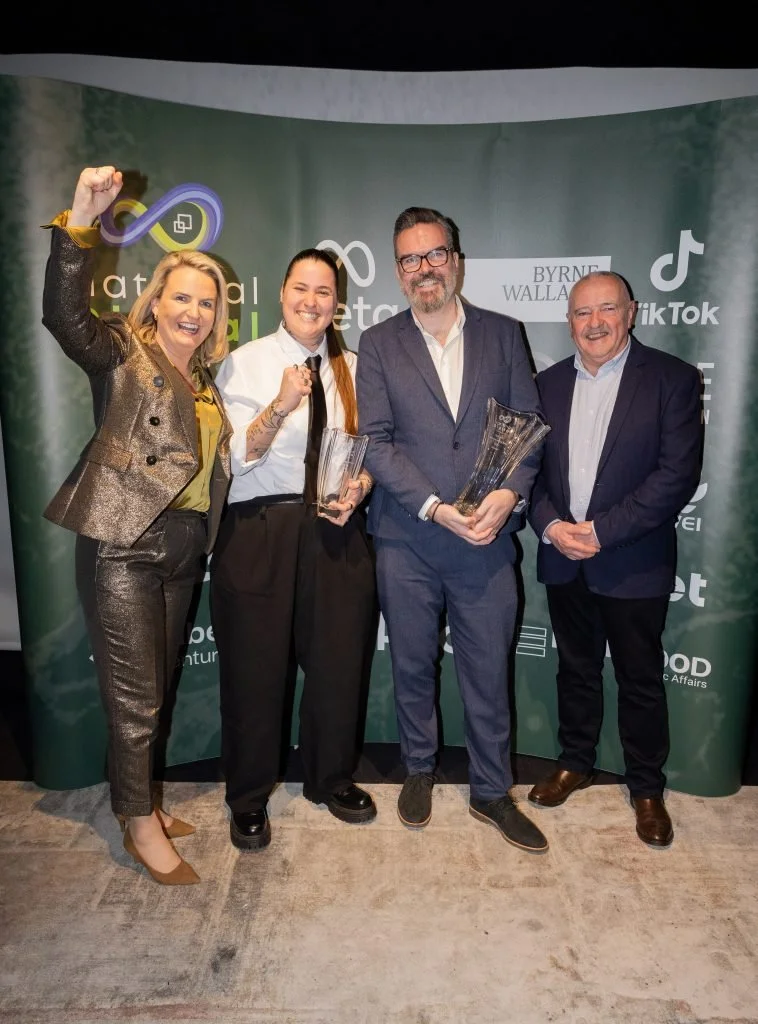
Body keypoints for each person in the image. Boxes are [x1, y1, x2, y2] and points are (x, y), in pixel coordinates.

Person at [41, 165, 232, 885]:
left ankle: (135, 799)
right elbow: (65, 317)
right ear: (157, 300)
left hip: (184, 544)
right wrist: (80, 223)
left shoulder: (205, 380)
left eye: (207, 302)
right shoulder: (122, 351)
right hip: (124, 541)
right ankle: (140, 822)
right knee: (137, 698)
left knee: (156, 687)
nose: (195, 310)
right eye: (182, 296)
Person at [355, 207, 548, 853]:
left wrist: (508, 492)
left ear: (456, 260)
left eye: (434, 254)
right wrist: (436, 507)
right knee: (411, 665)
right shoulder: (380, 343)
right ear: (398, 271)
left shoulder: (503, 333)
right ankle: (418, 768)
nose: (424, 268)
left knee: (488, 670)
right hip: (408, 538)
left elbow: (528, 424)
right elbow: (375, 444)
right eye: (410, 259)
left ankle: (492, 791)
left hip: (487, 540)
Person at [527, 270, 703, 847]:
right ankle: (575, 761)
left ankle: (646, 787)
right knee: (574, 668)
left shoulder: (672, 380)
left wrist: (601, 532)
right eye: (582, 313)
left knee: (640, 679)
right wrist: (551, 524)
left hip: (632, 560)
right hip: (564, 558)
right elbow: (528, 471)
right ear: (569, 321)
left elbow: (675, 477)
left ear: (631, 312)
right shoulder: (545, 384)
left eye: (606, 309)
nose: (594, 322)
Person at [209, 247, 377, 852]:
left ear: (338, 304)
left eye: (325, 292)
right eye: (302, 289)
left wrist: (361, 487)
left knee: (338, 662)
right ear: (281, 295)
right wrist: (281, 405)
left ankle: (330, 778)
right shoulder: (243, 364)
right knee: (254, 670)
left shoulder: (356, 367)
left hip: (336, 528)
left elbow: (371, 451)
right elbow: (230, 457)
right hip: (260, 528)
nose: (312, 301)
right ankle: (249, 797)